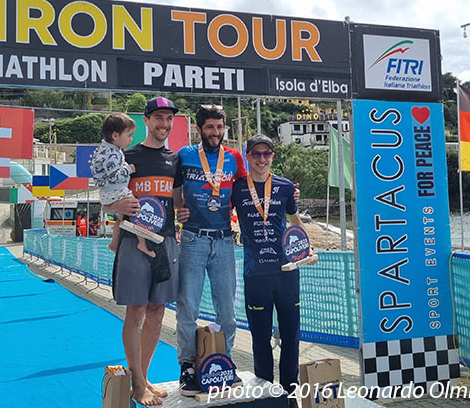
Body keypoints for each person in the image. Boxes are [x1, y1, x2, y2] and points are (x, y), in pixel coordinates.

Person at [104, 97, 188, 407]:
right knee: (136, 311)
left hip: (164, 242)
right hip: (133, 239)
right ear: (147, 120)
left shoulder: (175, 160)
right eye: (159, 118)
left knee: (157, 311)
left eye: (169, 119)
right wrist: (117, 207)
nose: (164, 124)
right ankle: (138, 384)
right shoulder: (127, 155)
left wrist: (184, 212)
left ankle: (144, 377)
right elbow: (106, 200)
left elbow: (177, 202)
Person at [230, 135, 317, 395]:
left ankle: (290, 391)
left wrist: (308, 247)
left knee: (291, 336)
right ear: (248, 156)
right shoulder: (236, 188)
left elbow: (295, 220)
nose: (261, 159)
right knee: (259, 338)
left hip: (286, 272)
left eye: (266, 153)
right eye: (256, 154)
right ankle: (265, 391)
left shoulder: (285, 186)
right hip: (255, 274)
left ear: (272, 157)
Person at [174, 104, 248, 396]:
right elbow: (174, 187)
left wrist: (287, 191)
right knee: (188, 307)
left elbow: (247, 189)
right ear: (199, 129)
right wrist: (178, 208)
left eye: (219, 127)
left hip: (225, 240)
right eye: (210, 127)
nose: (215, 133)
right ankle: (187, 367)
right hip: (193, 238)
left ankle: (225, 362)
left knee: (227, 311)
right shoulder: (185, 155)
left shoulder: (234, 158)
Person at [91, 112, 152, 257]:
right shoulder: (112, 154)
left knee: (121, 218)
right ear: (115, 136)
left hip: (108, 191)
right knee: (136, 209)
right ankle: (142, 242)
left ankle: (114, 242)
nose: (131, 139)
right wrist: (128, 169)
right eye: (129, 135)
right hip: (116, 190)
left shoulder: (104, 149)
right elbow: (114, 176)